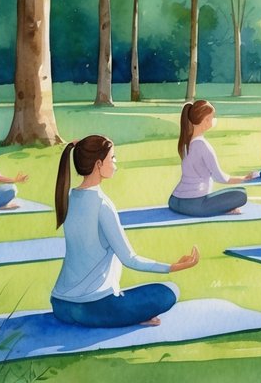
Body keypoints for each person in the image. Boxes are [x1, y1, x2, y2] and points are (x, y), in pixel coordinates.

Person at [51, 135, 199, 328]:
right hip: (93, 308)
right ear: (98, 164)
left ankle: (129, 313)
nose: (115, 163)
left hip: (60, 305)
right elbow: (130, 259)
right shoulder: (102, 204)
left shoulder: (69, 197)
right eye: (112, 158)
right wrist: (172, 267)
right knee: (170, 291)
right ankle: (130, 316)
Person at [168, 100, 256, 217]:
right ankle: (222, 209)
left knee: (239, 192)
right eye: (211, 118)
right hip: (195, 205)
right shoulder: (202, 145)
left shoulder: (185, 143)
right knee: (241, 195)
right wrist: (244, 178)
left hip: (174, 201)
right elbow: (220, 177)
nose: (213, 121)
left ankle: (220, 207)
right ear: (204, 120)